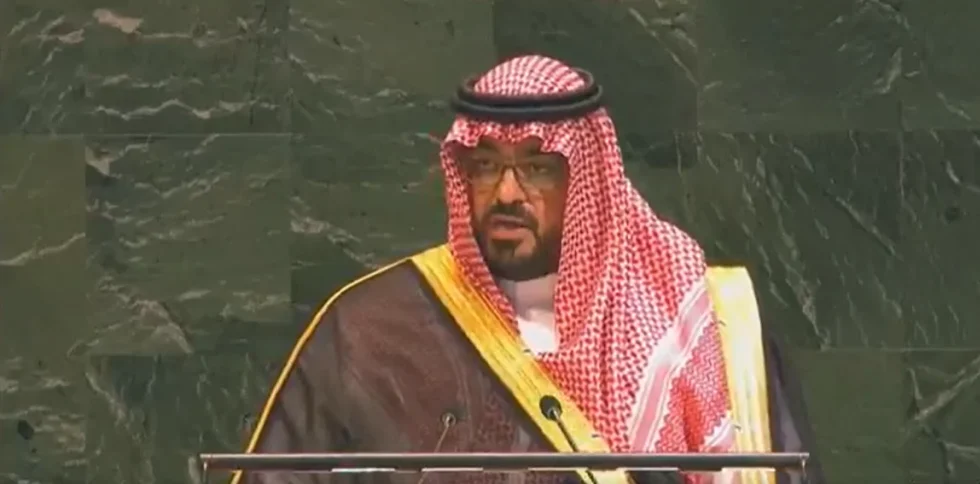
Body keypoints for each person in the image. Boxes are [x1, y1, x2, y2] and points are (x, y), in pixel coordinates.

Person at [230, 55, 825, 484]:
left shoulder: (706, 323)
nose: (507, 193)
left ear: (587, 180)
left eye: (537, 168)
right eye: (487, 165)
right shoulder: (372, 329)